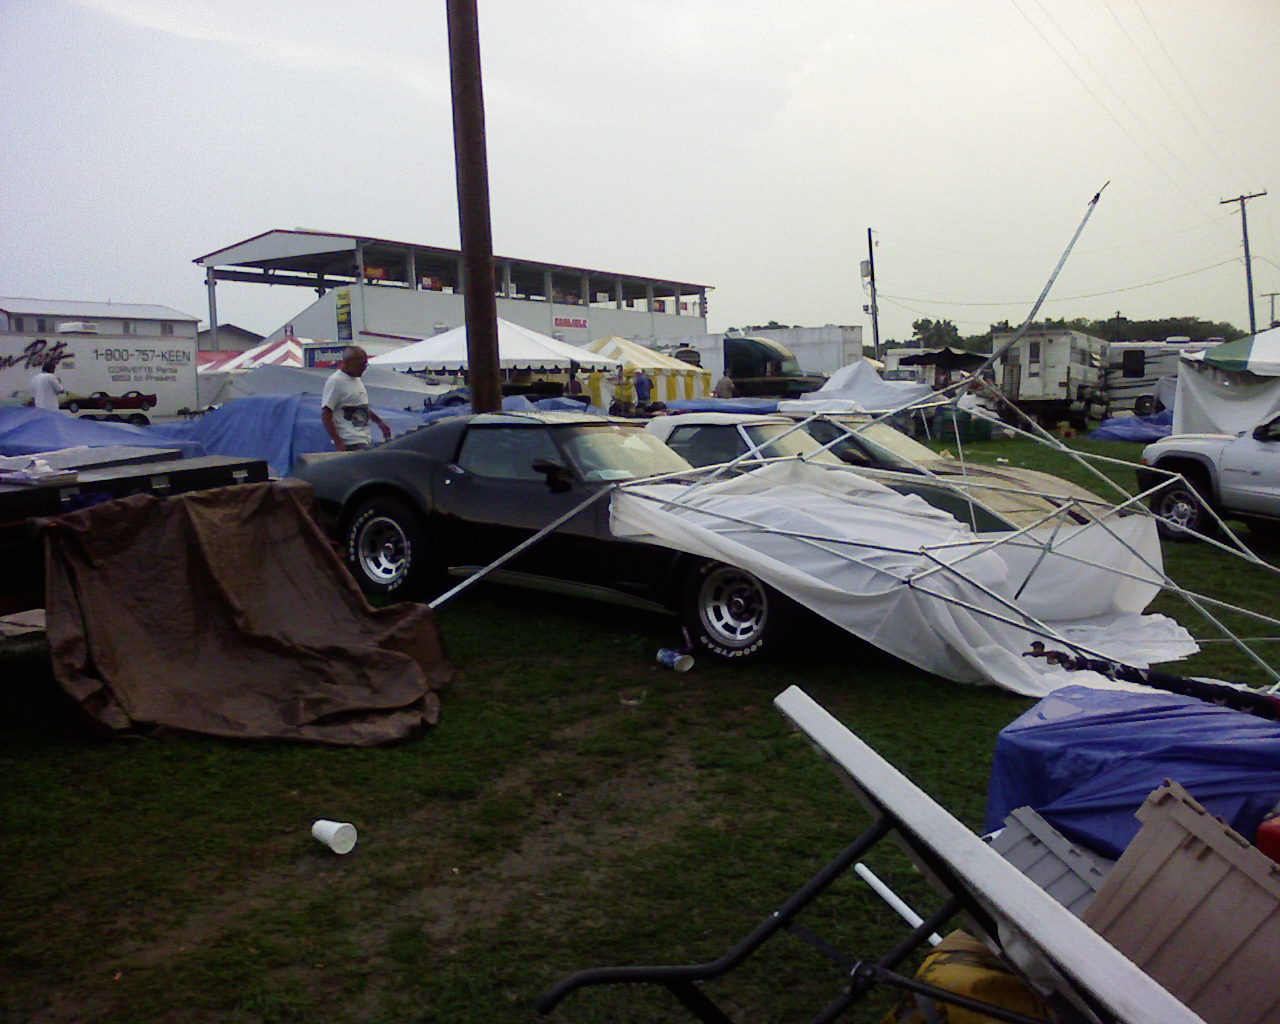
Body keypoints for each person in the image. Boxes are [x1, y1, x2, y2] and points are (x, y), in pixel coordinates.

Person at [321, 346, 391, 451]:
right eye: (360, 365)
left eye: (365, 365)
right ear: (348, 362)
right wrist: (338, 442)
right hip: (349, 441)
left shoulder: (356, 380)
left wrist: (380, 422)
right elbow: (326, 414)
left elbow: (360, 407)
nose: (364, 368)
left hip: (364, 439)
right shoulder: (336, 381)